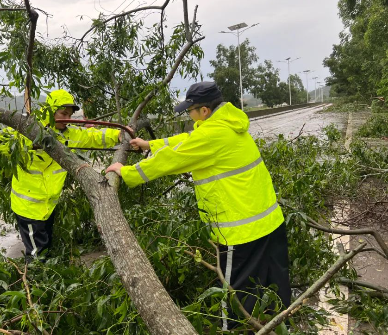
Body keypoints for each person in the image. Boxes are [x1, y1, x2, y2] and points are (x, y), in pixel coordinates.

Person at [106, 81, 291, 331]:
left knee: (237, 298)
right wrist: (152, 144)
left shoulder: (212, 134)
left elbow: (175, 158)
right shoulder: (227, 124)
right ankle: (280, 328)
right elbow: (188, 140)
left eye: (190, 111)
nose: (188, 115)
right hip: (270, 223)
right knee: (275, 286)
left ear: (204, 111)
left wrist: (127, 172)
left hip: (242, 232)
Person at [0, 89, 121, 261]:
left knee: (45, 247)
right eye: (63, 113)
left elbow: (92, 136)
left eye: (69, 115)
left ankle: (43, 279)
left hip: (48, 206)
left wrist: (120, 134)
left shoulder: (68, 134)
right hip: (28, 208)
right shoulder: (30, 128)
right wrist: (28, 139)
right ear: (51, 111)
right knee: (37, 255)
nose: (67, 118)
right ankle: (34, 284)